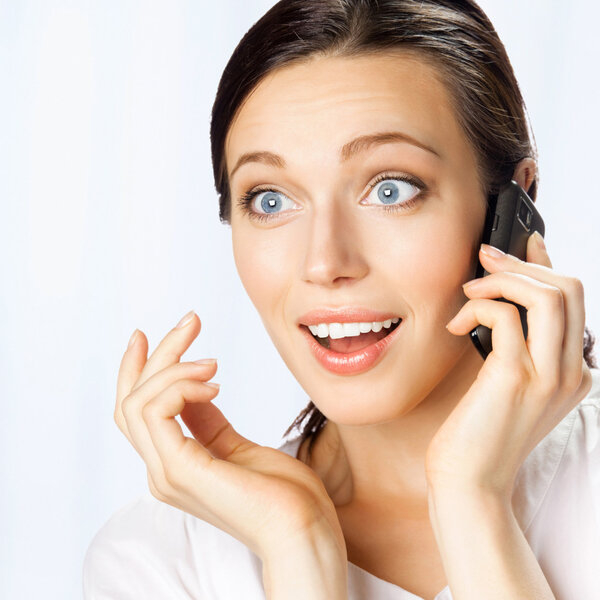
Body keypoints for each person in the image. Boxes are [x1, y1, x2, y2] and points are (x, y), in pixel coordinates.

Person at [83, 1, 600, 599]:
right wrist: (296, 548)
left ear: (513, 209)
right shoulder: (160, 562)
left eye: (390, 189)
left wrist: (471, 499)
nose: (324, 264)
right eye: (271, 199)